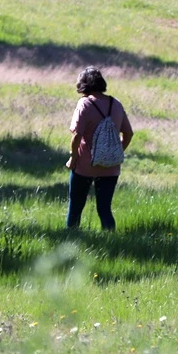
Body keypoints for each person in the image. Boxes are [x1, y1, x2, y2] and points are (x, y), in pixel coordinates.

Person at [66, 66, 133, 231]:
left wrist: (73, 157)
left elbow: (76, 135)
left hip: (84, 166)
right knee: (104, 209)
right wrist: (114, 153)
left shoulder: (84, 104)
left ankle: (70, 240)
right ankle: (110, 241)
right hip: (110, 168)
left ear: (83, 84)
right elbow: (129, 133)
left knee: (75, 207)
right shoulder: (115, 103)